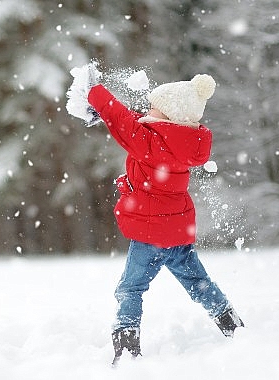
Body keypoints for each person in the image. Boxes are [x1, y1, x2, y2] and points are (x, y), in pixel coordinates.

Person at [75, 63, 244, 364]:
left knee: (130, 288)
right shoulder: (180, 144)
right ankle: (231, 323)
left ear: (169, 117)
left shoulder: (152, 143)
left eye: (153, 109)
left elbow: (123, 121)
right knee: (199, 283)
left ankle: (126, 347)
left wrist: (95, 92)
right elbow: (134, 124)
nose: (147, 113)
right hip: (176, 233)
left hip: (151, 235)